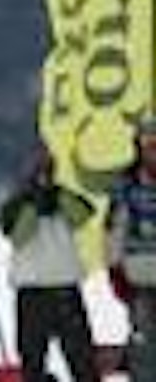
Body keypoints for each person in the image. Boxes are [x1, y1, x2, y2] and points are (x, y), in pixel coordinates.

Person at [0, 146, 98, 382]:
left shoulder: (65, 197)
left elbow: (82, 217)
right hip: (32, 292)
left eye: (47, 168)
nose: (42, 174)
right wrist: (33, 204)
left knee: (82, 361)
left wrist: (58, 196)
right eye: (37, 169)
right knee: (32, 363)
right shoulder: (15, 205)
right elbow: (19, 236)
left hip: (65, 287)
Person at [108, 117, 156, 382]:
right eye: (148, 143)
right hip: (139, 281)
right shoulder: (126, 184)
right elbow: (114, 229)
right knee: (145, 351)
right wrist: (115, 271)